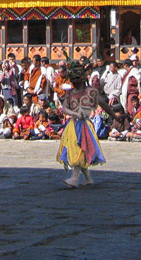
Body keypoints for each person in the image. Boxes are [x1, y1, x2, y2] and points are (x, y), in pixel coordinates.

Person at [57, 59, 114, 188]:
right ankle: (88, 179)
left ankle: (74, 179)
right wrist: (75, 113)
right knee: (77, 149)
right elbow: (64, 108)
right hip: (73, 124)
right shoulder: (70, 93)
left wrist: (114, 115)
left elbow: (101, 103)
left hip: (84, 125)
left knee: (80, 149)